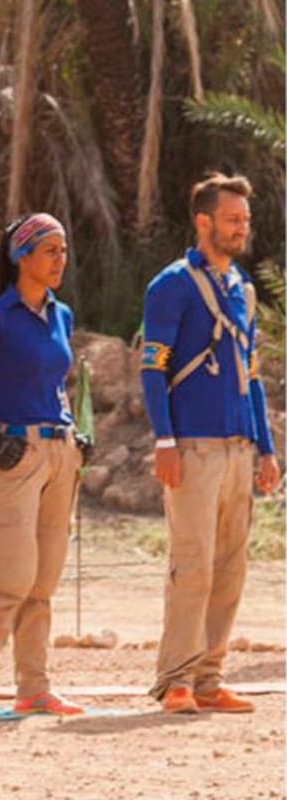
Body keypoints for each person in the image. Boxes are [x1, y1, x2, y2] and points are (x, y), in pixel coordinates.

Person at [140, 173, 280, 714]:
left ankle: (208, 676)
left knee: (230, 566)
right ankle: (175, 677)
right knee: (192, 563)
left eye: (245, 219)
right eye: (233, 219)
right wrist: (164, 439)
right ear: (204, 222)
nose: (242, 228)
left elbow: (252, 373)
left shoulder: (241, 288)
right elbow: (153, 368)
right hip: (192, 445)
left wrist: (266, 449)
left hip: (239, 445)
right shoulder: (171, 285)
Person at [0, 213, 90, 721]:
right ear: (21, 257)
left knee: (44, 579)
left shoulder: (61, 315)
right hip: (16, 454)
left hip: (61, 452)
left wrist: (75, 433)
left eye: (63, 250)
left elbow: (54, 382)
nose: (60, 260)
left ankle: (34, 687)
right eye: (50, 250)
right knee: (10, 574)